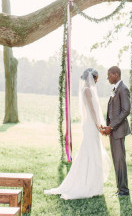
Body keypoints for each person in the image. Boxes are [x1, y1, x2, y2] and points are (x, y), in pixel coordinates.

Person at [44, 68, 111, 199]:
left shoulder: (88, 89)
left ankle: (93, 183)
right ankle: (87, 184)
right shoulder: (87, 90)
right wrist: (98, 125)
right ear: (93, 78)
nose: (97, 81)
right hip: (91, 124)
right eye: (96, 78)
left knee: (92, 150)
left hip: (92, 123)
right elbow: (91, 109)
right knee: (90, 151)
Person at [101, 66, 130, 196]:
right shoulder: (116, 89)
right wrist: (108, 127)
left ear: (116, 75)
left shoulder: (123, 89)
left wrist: (111, 126)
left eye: (109, 75)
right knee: (116, 160)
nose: (107, 78)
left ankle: (124, 190)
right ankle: (120, 189)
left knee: (119, 160)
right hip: (114, 131)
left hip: (118, 131)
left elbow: (126, 110)